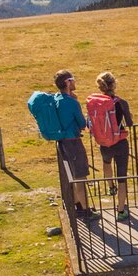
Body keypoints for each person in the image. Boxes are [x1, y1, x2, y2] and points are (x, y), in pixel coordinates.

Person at [87, 70, 133, 222]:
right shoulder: (120, 102)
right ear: (113, 84)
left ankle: (110, 185)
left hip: (104, 143)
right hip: (119, 142)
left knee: (106, 162)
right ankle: (120, 210)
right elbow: (130, 123)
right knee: (122, 177)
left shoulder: (95, 102)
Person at [53, 69, 91, 217]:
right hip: (73, 142)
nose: (75, 82)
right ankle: (86, 210)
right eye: (73, 79)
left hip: (63, 142)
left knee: (72, 175)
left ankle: (78, 205)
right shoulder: (71, 102)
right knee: (80, 177)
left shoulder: (56, 99)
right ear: (67, 83)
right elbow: (82, 124)